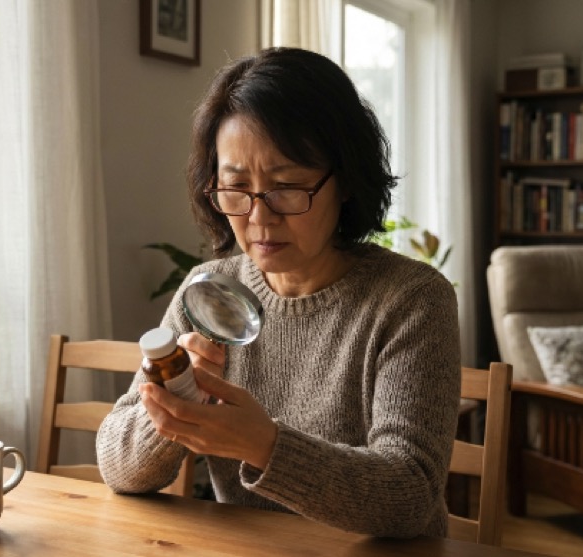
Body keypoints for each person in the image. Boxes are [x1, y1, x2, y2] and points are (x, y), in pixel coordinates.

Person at [97, 47, 460, 539]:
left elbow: (410, 493)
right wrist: (176, 404)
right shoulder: (208, 293)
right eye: (236, 187)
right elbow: (117, 467)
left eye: (287, 186)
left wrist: (266, 446)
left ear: (346, 180)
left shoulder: (411, 299)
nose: (259, 217)